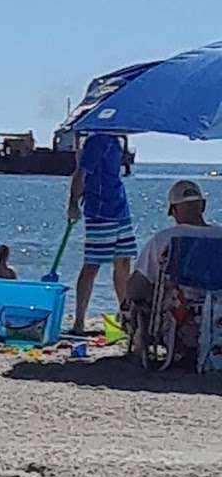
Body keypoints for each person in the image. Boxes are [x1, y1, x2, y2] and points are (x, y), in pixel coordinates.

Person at [67, 134, 135, 333]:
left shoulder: (116, 141)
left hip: (120, 209)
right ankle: (79, 321)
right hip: (100, 211)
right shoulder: (97, 141)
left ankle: (124, 316)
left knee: (123, 262)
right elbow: (81, 174)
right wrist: (72, 203)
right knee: (93, 264)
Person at [127, 179, 222, 302]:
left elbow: (136, 291)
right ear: (203, 206)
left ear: (173, 211)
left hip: (177, 316)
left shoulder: (164, 240)